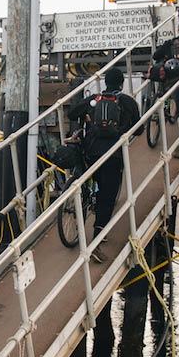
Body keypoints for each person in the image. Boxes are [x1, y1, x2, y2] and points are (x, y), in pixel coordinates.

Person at [67, 68, 143, 263]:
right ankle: (96, 241)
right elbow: (140, 129)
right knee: (107, 197)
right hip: (113, 154)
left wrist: (86, 119)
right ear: (121, 84)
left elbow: (72, 112)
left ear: (105, 83)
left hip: (91, 151)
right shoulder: (126, 102)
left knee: (93, 179)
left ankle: (85, 198)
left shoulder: (95, 99)